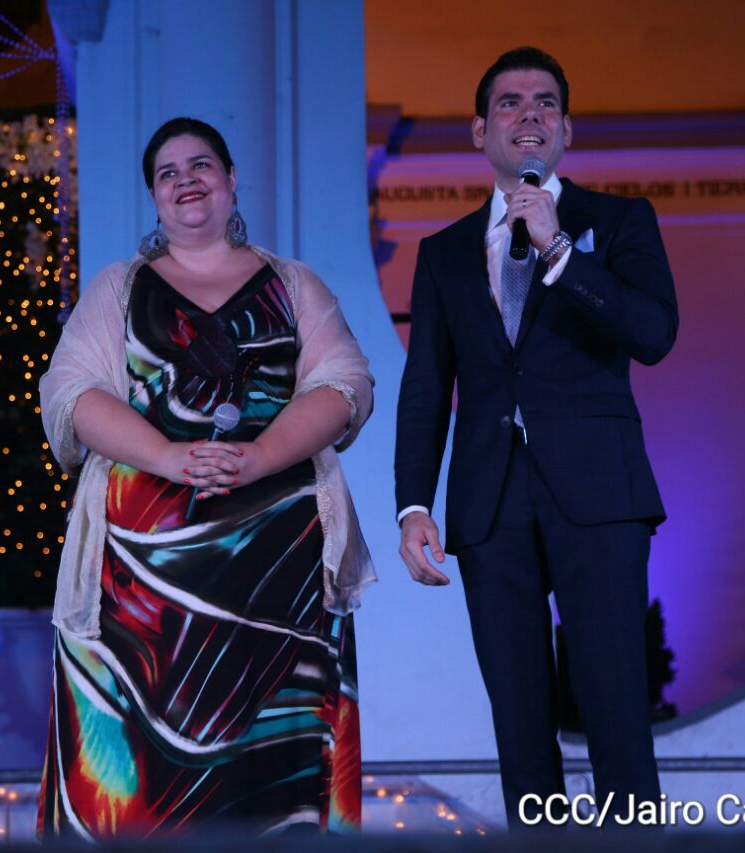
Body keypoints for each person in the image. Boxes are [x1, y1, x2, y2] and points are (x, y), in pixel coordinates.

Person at [37, 117, 375, 838]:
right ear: (154, 197)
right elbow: (70, 394)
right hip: (138, 589)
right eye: (168, 173)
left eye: (200, 165)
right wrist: (169, 457)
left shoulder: (294, 283)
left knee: (273, 774)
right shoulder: (118, 288)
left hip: (278, 576)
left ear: (230, 179)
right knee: (139, 783)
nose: (186, 180)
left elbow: (344, 384)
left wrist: (260, 456)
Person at [394, 47, 677, 829]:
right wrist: (412, 505)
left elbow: (654, 333)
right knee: (520, 730)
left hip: (600, 496)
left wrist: (558, 250)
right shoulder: (444, 252)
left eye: (546, 102)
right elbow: (427, 387)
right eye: (510, 103)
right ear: (480, 131)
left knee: (616, 713)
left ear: (566, 131)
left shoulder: (619, 222)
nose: (530, 115)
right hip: (490, 505)